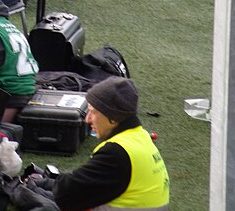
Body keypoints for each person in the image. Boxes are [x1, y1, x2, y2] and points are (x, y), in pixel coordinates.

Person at [52, 77, 170, 211]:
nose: (87, 119)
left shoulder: (116, 153)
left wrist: (48, 183)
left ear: (113, 118)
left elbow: (65, 195)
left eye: (93, 112)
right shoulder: (140, 138)